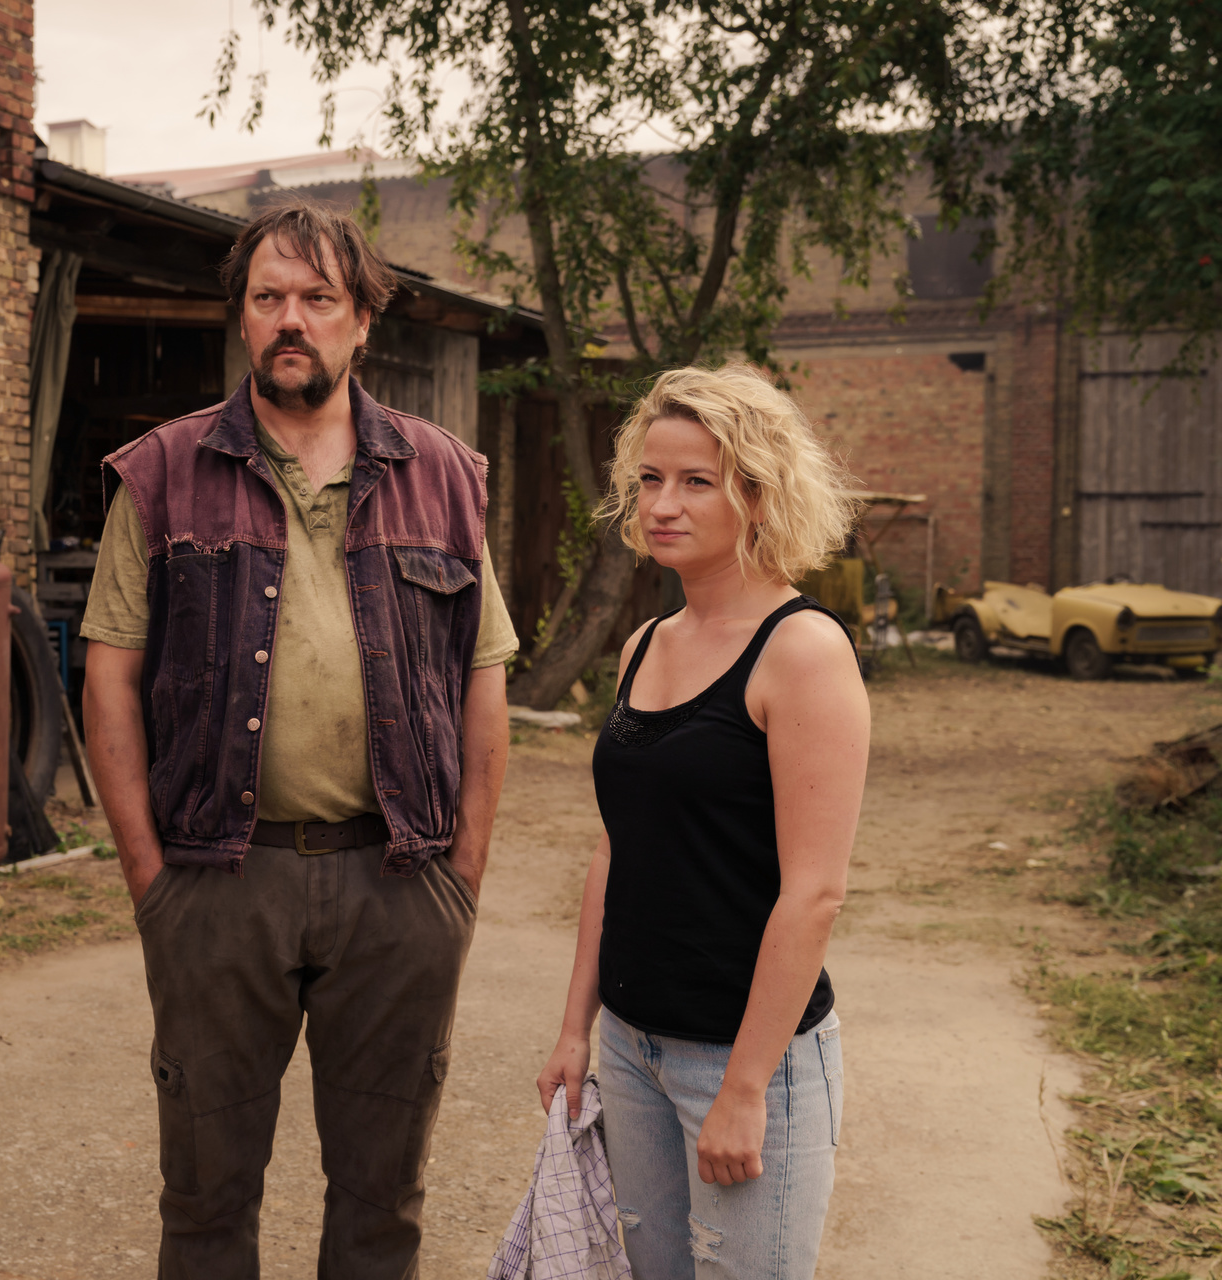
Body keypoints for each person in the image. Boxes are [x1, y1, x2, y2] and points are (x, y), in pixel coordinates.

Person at [80, 200, 517, 1280]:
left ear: (362, 320)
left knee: (382, 1203)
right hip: (218, 885)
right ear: (241, 317)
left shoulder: (442, 474)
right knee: (205, 1198)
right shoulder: (162, 472)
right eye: (269, 296)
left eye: (319, 298)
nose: (292, 319)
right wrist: (151, 882)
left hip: (398, 882)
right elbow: (109, 681)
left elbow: (481, 680)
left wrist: (460, 877)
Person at [535, 364, 869, 1280]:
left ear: (757, 495)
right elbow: (618, 846)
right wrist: (577, 1028)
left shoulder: (803, 650)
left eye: (696, 481)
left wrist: (747, 1087)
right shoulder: (645, 645)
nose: (661, 505)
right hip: (630, 1047)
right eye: (649, 479)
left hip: (746, 1060)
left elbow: (815, 892)